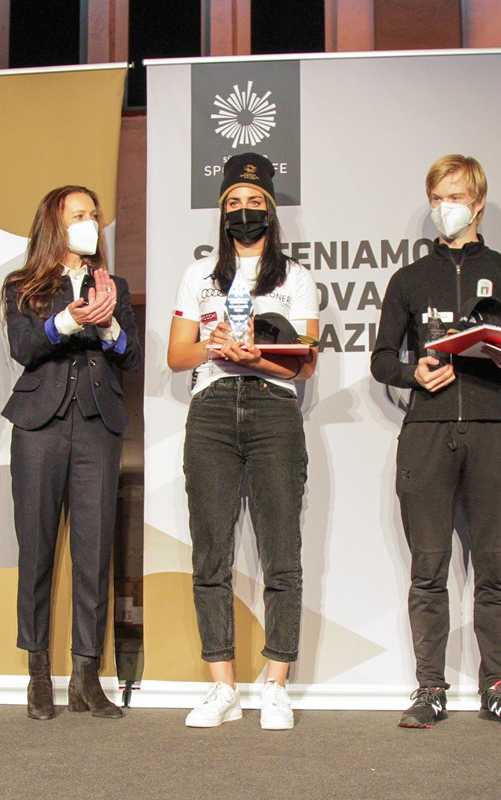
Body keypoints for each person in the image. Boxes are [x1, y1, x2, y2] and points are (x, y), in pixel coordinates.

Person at [370, 154, 501, 730]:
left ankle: (498, 688)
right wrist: (412, 373)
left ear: (479, 201)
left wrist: (499, 349)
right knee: (429, 568)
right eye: (439, 197)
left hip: (493, 430)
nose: (448, 207)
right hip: (427, 432)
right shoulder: (409, 279)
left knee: (493, 569)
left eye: (458, 196)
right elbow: (380, 358)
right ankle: (430, 690)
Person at [167, 153, 318, 730]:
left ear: (271, 212)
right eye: (233, 203)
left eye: (254, 203)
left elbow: (305, 364)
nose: (244, 212)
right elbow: (177, 355)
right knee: (211, 552)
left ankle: (276, 683)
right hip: (210, 411)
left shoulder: (296, 278)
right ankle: (223, 686)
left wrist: (260, 356)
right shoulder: (199, 274)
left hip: (274, 411)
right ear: (221, 212)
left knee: (282, 551)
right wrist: (214, 344)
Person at [1, 185, 141, 720]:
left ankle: (87, 676)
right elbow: (24, 347)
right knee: (35, 551)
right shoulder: (25, 285)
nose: (91, 222)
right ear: (55, 225)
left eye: (93, 214)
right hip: (39, 425)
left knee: (94, 551)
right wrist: (69, 320)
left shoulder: (116, 286)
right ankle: (39, 675)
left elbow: (129, 358)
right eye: (78, 214)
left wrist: (107, 324)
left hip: (98, 426)